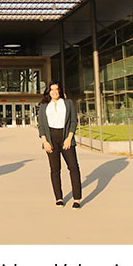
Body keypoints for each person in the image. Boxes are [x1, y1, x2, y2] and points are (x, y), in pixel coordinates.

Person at [37, 81, 82, 209]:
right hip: (51, 138)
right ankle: (59, 198)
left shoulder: (68, 103)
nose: (54, 92)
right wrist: (45, 141)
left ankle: (77, 199)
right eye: (52, 89)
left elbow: (73, 121)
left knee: (73, 167)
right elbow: (41, 125)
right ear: (48, 92)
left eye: (56, 89)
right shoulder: (44, 105)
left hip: (66, 136)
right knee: (55, 170)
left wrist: (69, 138)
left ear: (60, 90)